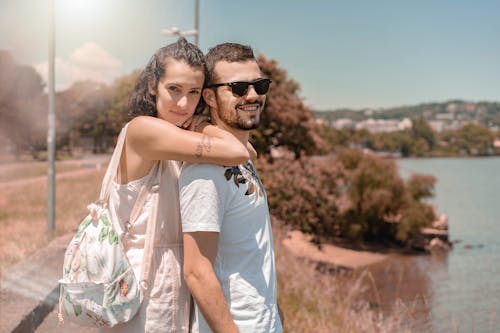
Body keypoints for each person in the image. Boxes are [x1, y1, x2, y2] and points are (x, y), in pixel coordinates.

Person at [99, 38, 252, 333]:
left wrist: (199, 123)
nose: (184, 104)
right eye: (174, 90)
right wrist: (205, 123)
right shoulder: (143, 130)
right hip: (142, 286)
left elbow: (247, 151)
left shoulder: (175, 136)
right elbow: (238, 151)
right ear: (152, 85)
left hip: (170, 286)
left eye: (194, 92)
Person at [179, 43, 282, 333]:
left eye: (260, 85)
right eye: (238, 88)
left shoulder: (240, 154)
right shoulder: (205, 172)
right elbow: (197, 271)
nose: (252, 96)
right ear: (209, 96)